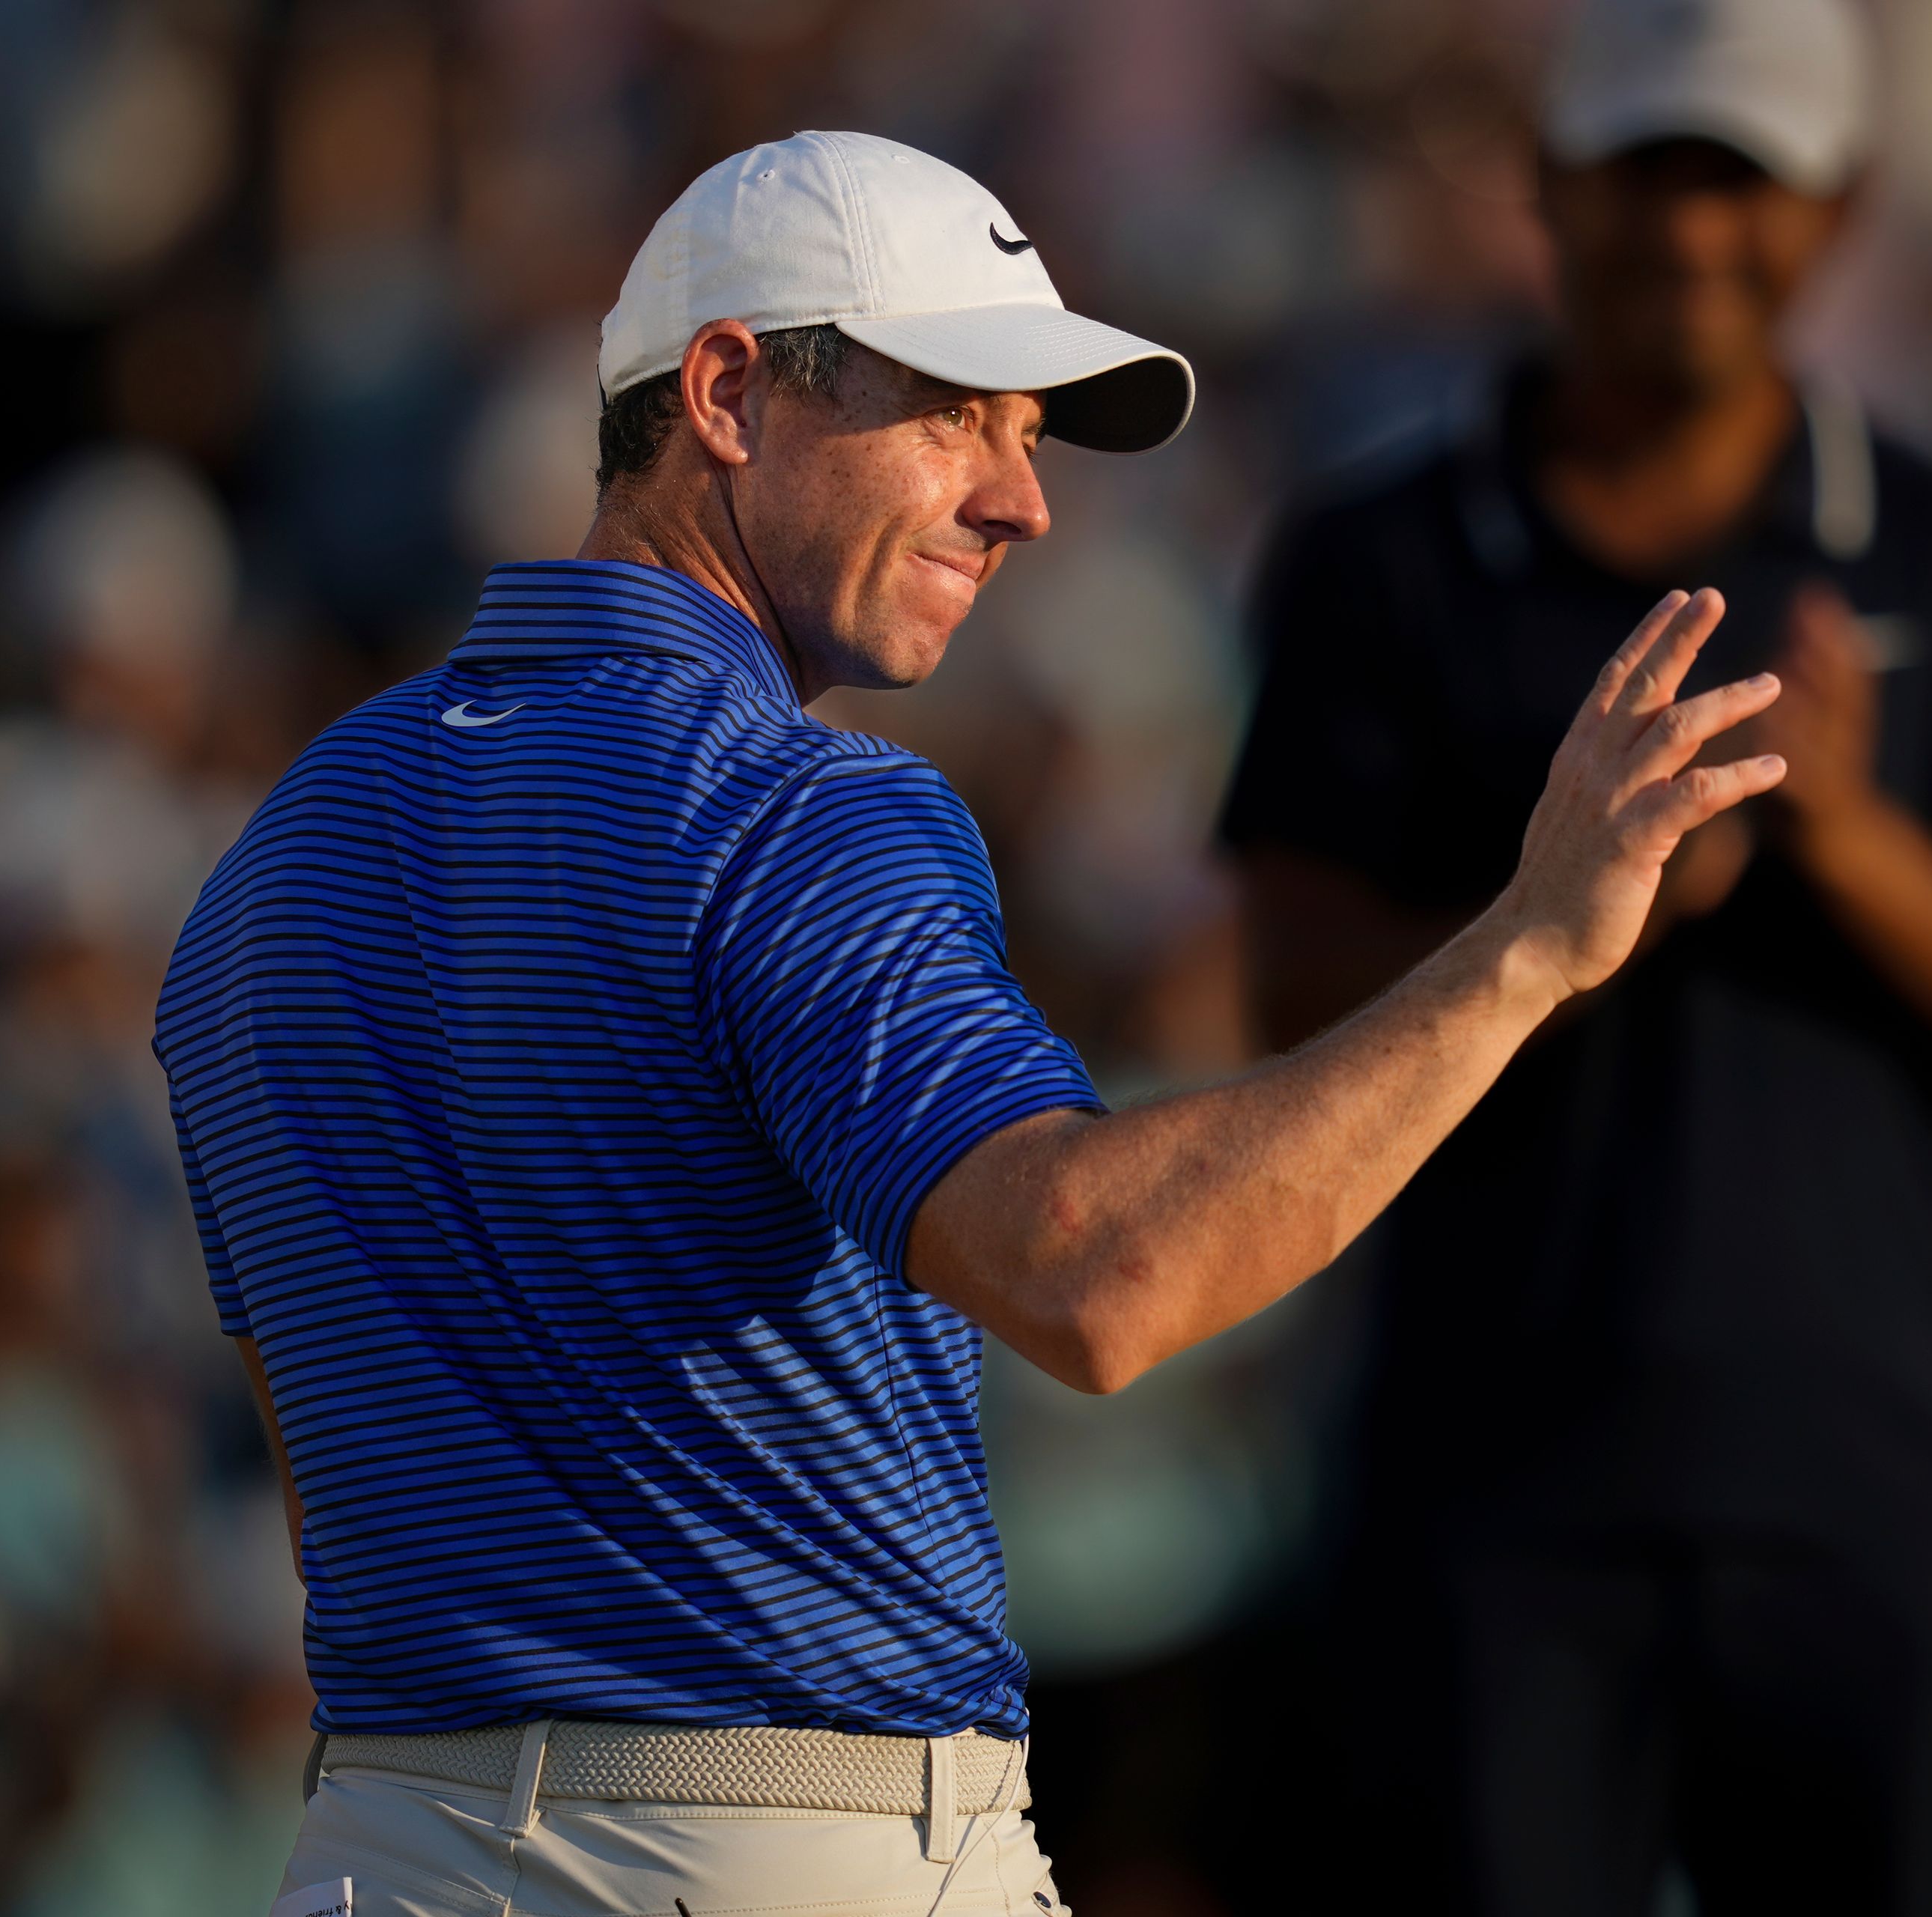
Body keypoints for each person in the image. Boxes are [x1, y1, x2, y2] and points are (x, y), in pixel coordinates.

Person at [156, 129, 1787, 1917]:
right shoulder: (792, 806)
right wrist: (1531, 949)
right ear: (724, 394)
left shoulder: (266, 871)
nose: (1025, 501)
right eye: (958, 413)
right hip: (793, 1848)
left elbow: (338, 1478)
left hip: (376, 1853)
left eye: (1027, 434)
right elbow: (1097, 1274)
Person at [1218, 1, 1932, 1912]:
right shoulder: (1382, 555)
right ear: (1550, 186)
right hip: (1490, 1497)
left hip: (1870, 1500)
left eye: (1751, 183)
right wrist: (1583, 915)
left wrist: (1842, 831)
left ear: (1842, 207)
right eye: (1650, 173)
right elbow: (1285, 998)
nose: (1697, 231)